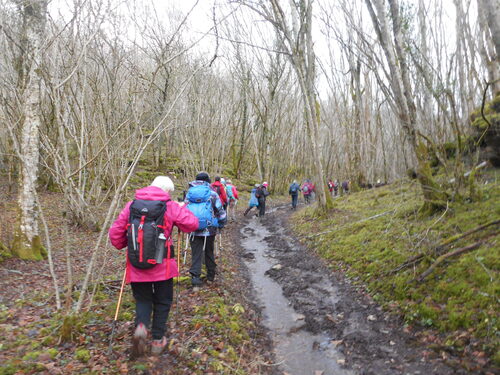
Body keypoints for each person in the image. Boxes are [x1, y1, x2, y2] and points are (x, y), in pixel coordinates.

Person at [109, 176, 199, 356]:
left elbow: (115, 234)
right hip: (162, 268)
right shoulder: (170, 206)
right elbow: (192, 224)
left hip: (136, 266)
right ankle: (158, 340)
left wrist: (124, 245)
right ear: (167, 191)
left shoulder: (131, 205)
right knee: (163, 302)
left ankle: (141, 327)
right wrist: (183, 208)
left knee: (143, 300)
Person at [186, 172, 226, 287]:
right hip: (210, 229)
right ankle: (210, 275)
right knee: (209, 251)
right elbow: (221, 212)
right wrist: (221, 223)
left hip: (193, 228)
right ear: (208, 181)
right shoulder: (212, 194)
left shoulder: (189, 194)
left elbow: (185, 209)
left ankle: (195, 278)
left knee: (196, 253)